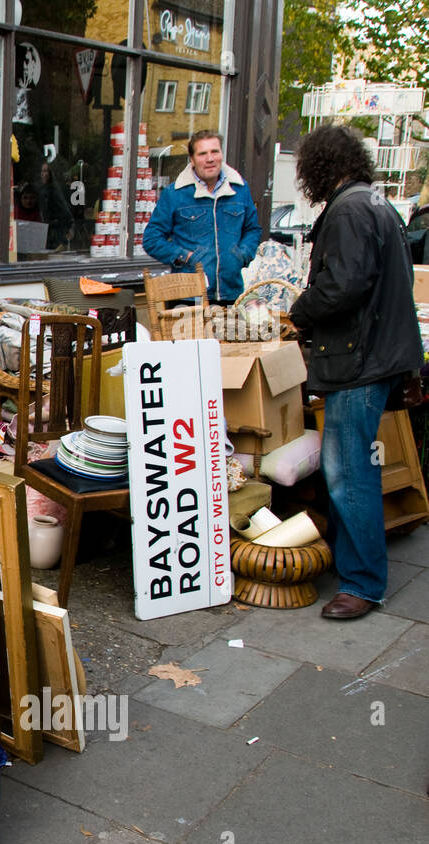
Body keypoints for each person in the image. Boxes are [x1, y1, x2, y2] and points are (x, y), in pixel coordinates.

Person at [288, 124, 422, 620]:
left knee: (348, 472)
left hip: (360, 360)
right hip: (375, 355)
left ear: (318, 168)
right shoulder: (376, 204)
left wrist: (299, 310)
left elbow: (341, 287)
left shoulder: (348, 210)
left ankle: (364, 583)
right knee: (346, 467)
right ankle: (355, 570)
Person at [142, 130, 261, 304]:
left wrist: (241, 255)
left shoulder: (240, 189)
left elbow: (252, 229)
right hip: (187, 296)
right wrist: (185, 256)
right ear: (192, 159)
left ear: (221, 154)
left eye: (215, 152)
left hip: (231, 293)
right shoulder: (175, 194)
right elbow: (151, 239)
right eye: (202, 153)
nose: (210, 159)